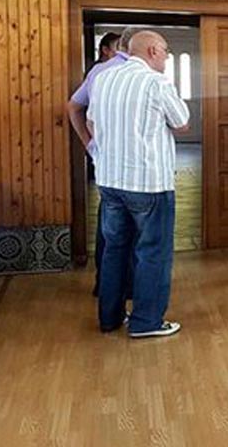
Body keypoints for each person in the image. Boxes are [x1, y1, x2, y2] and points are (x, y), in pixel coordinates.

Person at [87, 30, 189, 338]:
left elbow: (91, 122)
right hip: (148, 184)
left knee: (114, 250)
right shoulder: (156, 82)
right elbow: (182, 122)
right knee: (152, 252)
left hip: (110, 181)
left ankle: (110, 318)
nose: (167, 57)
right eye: (166, 51)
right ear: (153, 50)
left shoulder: (104, 79)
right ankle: (146, 322)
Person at [66, 27, 134, 296]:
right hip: (135, 165)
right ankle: (130, 287)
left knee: (109, 225)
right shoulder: (138, 73)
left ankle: (105, 285)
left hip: (106, 162)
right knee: (136, 229)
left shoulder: (98, 72)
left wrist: (89, 143)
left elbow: (73, 106)